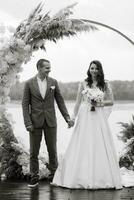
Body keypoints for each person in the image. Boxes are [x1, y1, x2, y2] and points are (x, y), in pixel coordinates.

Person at [52, 60, 123, 189]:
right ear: (89, 69)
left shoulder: (105, 84)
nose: (94, 71)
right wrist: (72, 118)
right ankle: (79, 176)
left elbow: (111, 102)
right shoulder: (83, 83)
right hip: (85, 117)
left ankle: (102, 176)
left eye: (96, 68)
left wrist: (98, 104)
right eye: (92, 68)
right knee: (82, 143)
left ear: (100, 70)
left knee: (100, 143)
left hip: (98, 117)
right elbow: (78, 103)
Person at [22, 59, 74, 188]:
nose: (49, 70)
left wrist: (67, 118)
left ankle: (53, 176)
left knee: (52, 150)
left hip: (51, 121)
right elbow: (24, 105)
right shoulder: (29, 83)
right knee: (34, 152)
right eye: (46, 68)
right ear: (39, 68)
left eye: (49, 67)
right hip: (35, 122)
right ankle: (34, 177)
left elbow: (60, 101)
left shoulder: (53, 82)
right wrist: (28, 123)